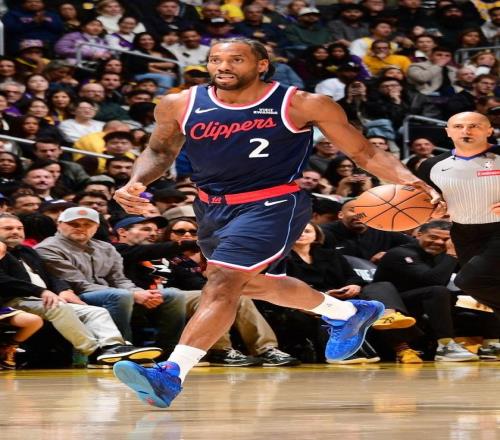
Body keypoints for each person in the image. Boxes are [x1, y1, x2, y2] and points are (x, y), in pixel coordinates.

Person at [111, 38, 438, 409]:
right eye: (216, 59)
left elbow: (364, 152)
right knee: (253, 284)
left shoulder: (302, 103)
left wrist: (412, 182)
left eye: (236, 59)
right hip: (210, 207)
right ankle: (347, 313)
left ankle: (170, 374)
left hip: (273, 203)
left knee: (223, 282)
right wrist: (136, 181)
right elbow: (159, 150)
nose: (223, 67)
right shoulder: (179, 103)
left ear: (262, 64)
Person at [416, 111, 500, 359]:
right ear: (448, 132)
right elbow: (426, 203)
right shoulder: (431, 166)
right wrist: (432, 211)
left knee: (469, 281)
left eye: (474, 125)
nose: (466, 130)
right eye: (459, 126)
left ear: (489, 131)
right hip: (463, 232)